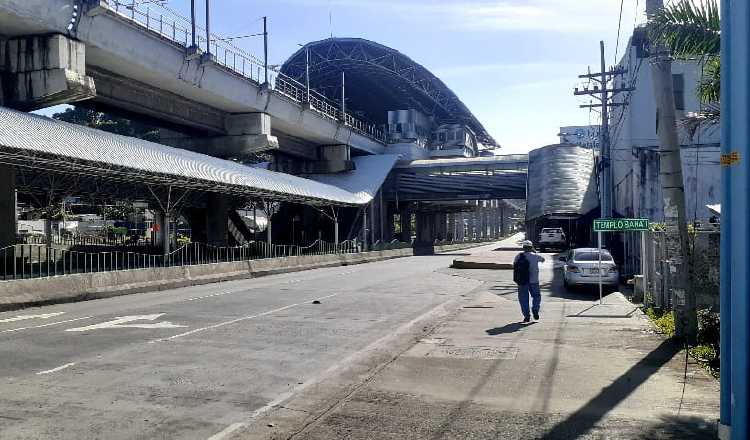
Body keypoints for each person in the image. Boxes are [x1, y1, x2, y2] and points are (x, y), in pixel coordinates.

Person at [513, 240, 545, 323]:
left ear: (523, 248)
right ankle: (535, 309)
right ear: (531, 247)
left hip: (522, 281)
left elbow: (515, 266)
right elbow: (543, 259)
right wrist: (534, 252)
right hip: (534, 281)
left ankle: (526, 315)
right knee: (536, 296)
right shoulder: (535, 256)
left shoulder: (519, 256)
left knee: (523, 299)